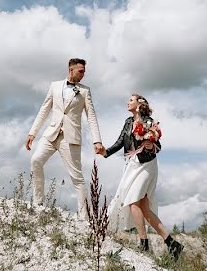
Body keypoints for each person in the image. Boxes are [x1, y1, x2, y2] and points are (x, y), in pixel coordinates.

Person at [102, 94, 183, 259]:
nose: (127, 102)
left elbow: (158, 145)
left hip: (147, 165)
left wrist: (151, 144)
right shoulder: (127, 122)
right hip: (131, 165)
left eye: (131, 100)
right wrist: (105, 152)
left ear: (139, 103)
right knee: (144, 209)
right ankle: (172, 244)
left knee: (132, 202)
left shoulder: (149, 121)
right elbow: (120, 142)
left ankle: (144, 244)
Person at [25, 57, 104, 220]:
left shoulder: (85, 91)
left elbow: (91, 117)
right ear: (71, 70)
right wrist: (32, 133)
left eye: (84, 71)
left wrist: (97, 140)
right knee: (35, 160)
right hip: (51, 134)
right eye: (81, 71)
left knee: (76, 176)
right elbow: (44, 110)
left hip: (71, 138)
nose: (83, 74)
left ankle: (84, 217)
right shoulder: (54, 86)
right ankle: (38, 202)